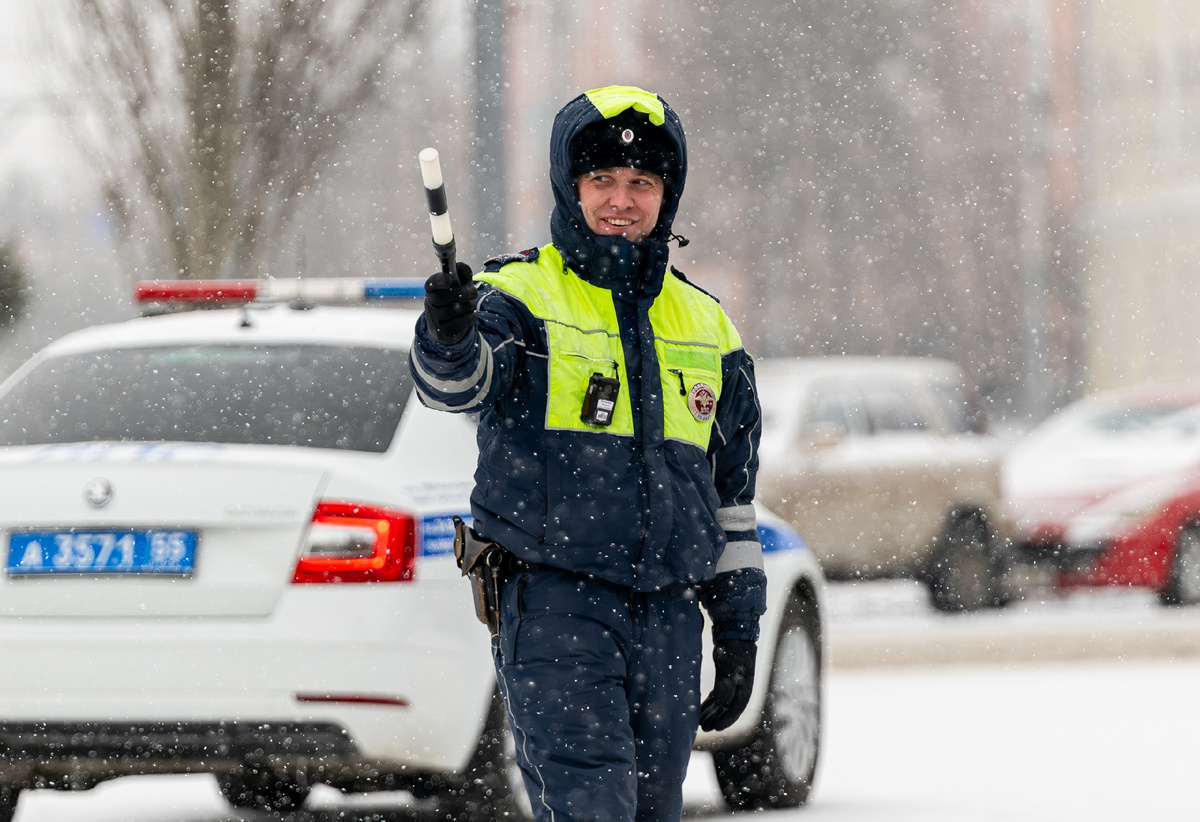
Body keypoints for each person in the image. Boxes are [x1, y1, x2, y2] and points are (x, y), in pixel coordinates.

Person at [409, 85, 766, 822]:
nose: (621, 201)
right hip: (554, 606)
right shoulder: (520, 297)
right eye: (601, 180)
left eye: (642, 182)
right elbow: (460, 385)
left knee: (649, 809)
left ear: (668, 193)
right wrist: (446, 335)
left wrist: (736, 630)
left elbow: (731, 500)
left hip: (669, 617)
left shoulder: (707, 325)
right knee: (589, 805)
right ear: (570, 186)